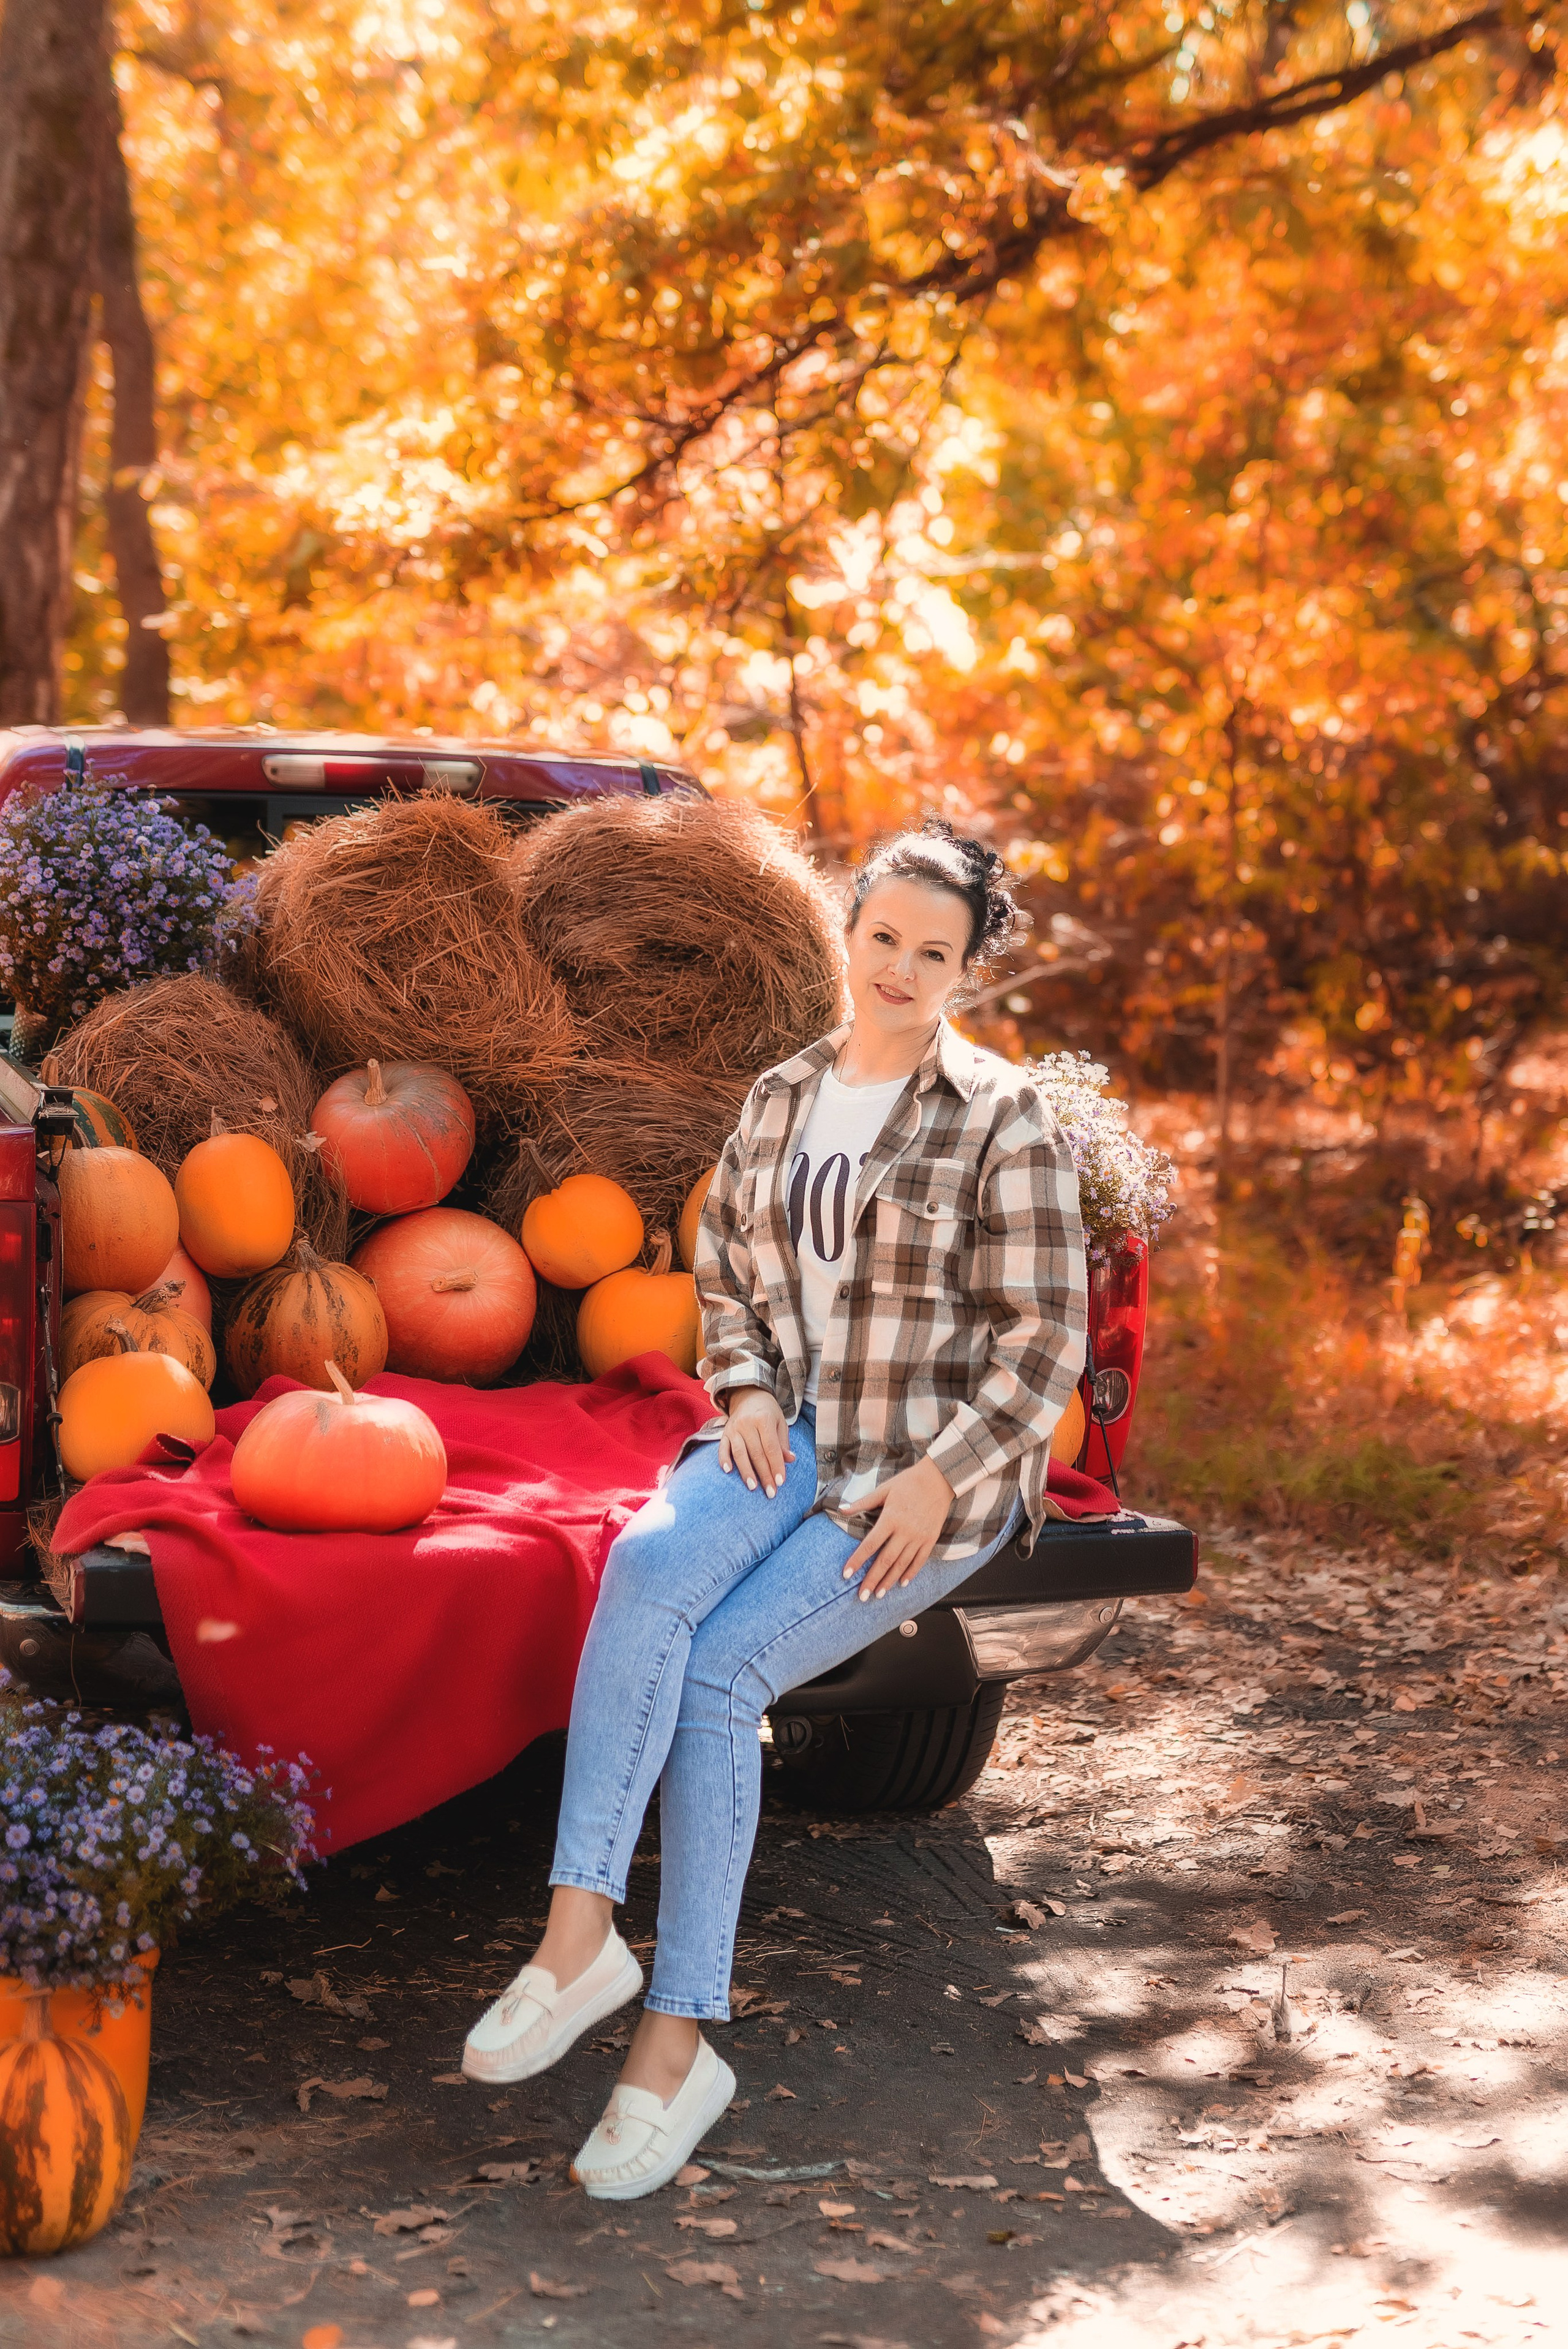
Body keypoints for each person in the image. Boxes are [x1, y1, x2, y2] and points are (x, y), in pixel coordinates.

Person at [462, 819, 1087, 2198]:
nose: (905, 970)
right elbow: (728, 1268)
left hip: (936, 1471)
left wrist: (938, 1479)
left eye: (937, 952)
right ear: (846, 936)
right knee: (646, 1571)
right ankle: (579, 1939)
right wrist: (740, 1389)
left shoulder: (1000, 1116)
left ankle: (677, 2045)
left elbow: (1043, 1340)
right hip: (790, 1433)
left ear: (966, 966)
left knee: (720, 1672)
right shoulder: (783, 1094)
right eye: (884, 940)